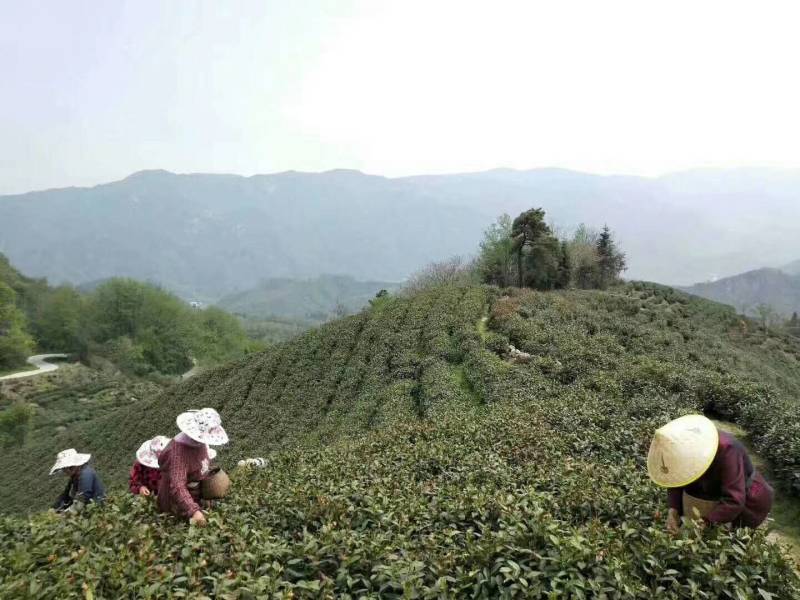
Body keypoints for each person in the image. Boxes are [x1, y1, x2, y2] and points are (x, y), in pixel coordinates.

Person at [647, 414, 774, 531]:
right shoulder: (680, 454)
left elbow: (734, 500)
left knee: (733, 538)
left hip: (748, 501)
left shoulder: (727, 449)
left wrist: (706, 522)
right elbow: (676, 478)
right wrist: (673, 511)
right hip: (713, 493)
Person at [157, 408, 228, 526]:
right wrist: (193, 511)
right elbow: (177, 485)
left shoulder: (200, 443)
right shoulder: (178, 452)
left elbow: (202, 463)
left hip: (195, 494)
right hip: (177, 501)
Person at [50, 448, 106, 514]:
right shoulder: (75, 476)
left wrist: (63, 515)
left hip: (96, 509)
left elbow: (81, 502)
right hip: (86, 508)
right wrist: (53, 508)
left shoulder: (86, 474)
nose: (64, 471)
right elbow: (65, 494)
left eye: (65, 468)